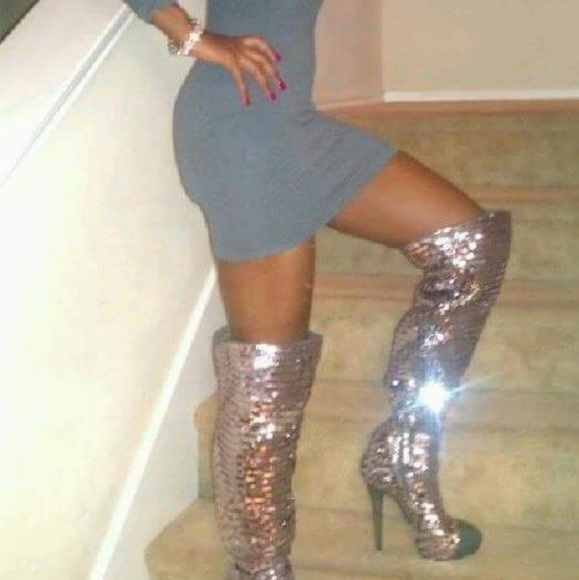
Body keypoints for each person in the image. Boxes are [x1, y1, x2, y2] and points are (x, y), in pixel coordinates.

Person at [124, 1, 512, 578]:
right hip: (243, 134)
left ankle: (403, 453)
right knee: (268, 387)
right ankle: (259, 569)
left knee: (471, 247)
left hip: (293, 125)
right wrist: (193, 38)